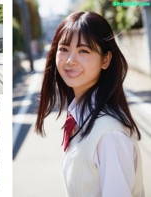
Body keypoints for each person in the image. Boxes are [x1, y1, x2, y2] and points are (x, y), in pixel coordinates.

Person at [35, 11, 144, 196]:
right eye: (63, 49)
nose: (70, 60)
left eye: (83, 51)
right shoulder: (81, 116)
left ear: (105, 59)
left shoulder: (109, 135)